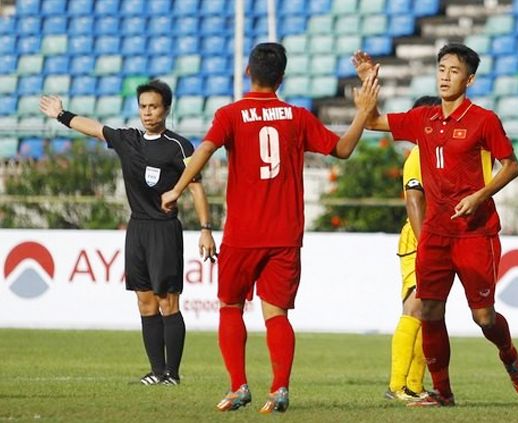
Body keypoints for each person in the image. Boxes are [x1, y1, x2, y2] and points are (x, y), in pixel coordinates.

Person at [160, 42, 380, 414]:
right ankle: (279, 390)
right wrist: (362, 113)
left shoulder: (230, 114)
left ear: (249, 72)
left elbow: (204, 151)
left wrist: (177, 189)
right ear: (282, 77)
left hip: (243, 233)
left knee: (230, 306)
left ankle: (238, 387)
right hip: (285, 234)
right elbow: (342, 149)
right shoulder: (296, 116)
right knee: (277, 314)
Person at [352, 44, 518, 407]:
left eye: (453, 70)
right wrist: (369, 85)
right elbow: (372, 123)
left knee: (483, 317)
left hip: (475, 233)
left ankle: (509, 354)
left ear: (470, 79)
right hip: (435, 234)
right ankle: (443, 393)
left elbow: (511, 166)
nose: (445, 76)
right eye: (441, 69)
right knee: (430, 311)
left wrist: (479, 196)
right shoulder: (425, 118)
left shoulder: (484, 120)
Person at [39, 80, 217, 385]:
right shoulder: (128, 140)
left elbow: (197, 189)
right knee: (145, 301)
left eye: (154, 107)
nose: (148, 113)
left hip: (165, 230)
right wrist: (61, 115)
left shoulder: (179, 146)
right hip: (137, 229)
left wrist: (205, 229)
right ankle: (157, 371)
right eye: (143, 107)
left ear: (166, 109)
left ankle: (173, 374)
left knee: (167, 301)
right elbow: (94, 128)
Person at [385, 95, 440, 402]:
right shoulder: (418, 157)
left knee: (428, 313)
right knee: (415, 307)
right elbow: (413, 202)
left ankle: (415, 386)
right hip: (419, 240)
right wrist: (426, 244)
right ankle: (397, 386)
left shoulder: (437, 154)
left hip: (436, 240)